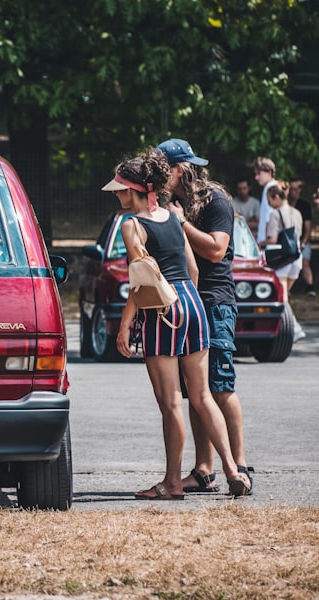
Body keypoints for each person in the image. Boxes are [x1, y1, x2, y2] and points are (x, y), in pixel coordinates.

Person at [104, 147, 250, 499]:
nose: (117, 196)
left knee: (171, 403)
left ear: (133, 190)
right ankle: (233, 471)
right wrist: (189, 306)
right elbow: (195, 269)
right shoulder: (173, 218)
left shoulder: (131, 226)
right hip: (193, 303)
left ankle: (172, 483)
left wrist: (126, 325)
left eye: (120, 190)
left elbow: (142, 281)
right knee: (202, 396)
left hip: (161, 309)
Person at [160, 137, 255, 496]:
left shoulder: (216, 199)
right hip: (186, 301)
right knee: (195, 391)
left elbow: (216, 250)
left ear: (179, 170)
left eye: (163, 170)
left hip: (215, 301)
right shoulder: (175, 202)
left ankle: (241, 466)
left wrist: (180, 223)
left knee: (220, 386)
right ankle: (203, 471)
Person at [259, 181, 306, 343]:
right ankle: (291, 328)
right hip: (296, 258)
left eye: (270, 201)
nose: (270, 205)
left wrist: (260, 244)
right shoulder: (297, 212)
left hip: (282, 260)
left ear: (277, 197)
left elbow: (272, 240)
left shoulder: (275, 214)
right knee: (285, 295)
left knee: (282, 297)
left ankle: (294, 329)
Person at [290, 180, 314, 296]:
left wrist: (303, 243)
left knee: (305, 262)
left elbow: (308, 228)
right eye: (293, 189)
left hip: (302, 240)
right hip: (288, 240)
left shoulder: (304, 205)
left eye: (298, 189)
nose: (296, 192)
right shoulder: (284, 205)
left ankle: (310, 287)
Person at [253, 156, 278, 245]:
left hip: (267, 243)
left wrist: (264, 242)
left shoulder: (270, 189)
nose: (256, 177)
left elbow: (269, 217)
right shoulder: (272, 187)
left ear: (269, 172)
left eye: (259, 173)